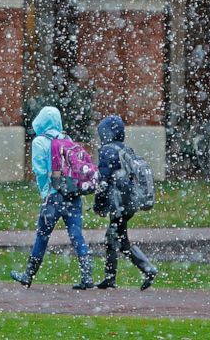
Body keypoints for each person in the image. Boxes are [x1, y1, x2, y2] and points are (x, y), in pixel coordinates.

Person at [10, 105, 95, 289]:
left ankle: (28, 275)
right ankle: (87, 275)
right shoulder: (67, 139)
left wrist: (46, 193)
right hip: (73, 195)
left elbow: (39, 171)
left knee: (42, 236)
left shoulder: (39, 142)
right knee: (76, 235)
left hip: (54, 197)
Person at [93, 114, 158, 290]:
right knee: (117, 238)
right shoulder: (125, 149)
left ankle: (145, 269)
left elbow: (104, 180)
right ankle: (112, 277)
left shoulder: (107, 150)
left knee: (116, 238)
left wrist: (98, 204)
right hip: (130, 200)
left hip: (119, 201)